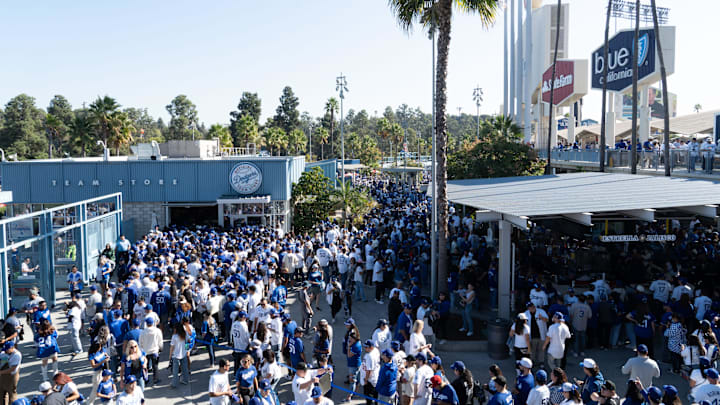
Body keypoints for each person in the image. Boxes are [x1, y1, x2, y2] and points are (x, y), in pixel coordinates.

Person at [138, 318, 162, 385]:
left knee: (146, 366)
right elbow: (160, 341)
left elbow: (140, 343)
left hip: (146, 352)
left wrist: (141, 350)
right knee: (155, 366)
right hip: (154, 351)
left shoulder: (143, 332)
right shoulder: (157, 331)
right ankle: (155, 379)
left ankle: (146, 379)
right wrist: (160, 348)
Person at [525, 302, 548, 368]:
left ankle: (541, 362)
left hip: (541, 335)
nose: (531, 308)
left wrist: (542, 318)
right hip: (532, 335)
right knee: (533, 350)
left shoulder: (541, 311)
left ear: (534, 306)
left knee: (541, 350)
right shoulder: (526, 313)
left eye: (532, 307)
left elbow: (547, 320)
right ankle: (533, 361)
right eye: (529, 307)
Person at [169, 323, 189, 388]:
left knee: (175, 371)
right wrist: (186, 350)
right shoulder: (185, 334)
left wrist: (170, 355)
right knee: (185, 369)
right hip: (184, 354)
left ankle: (174, 383)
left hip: (176, 355)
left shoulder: (174, 337)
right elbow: (188, 342)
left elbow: (172, 347)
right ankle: (185, 380)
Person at [361, 340, 380, 405]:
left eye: (366, 347)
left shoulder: (369, 356)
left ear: (371, 347)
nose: (365, 349)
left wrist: (366, 380)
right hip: (375, 377)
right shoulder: (376, 351)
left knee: (368, 396)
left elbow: (369, 370)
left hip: (370, 380)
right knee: (375, 396)